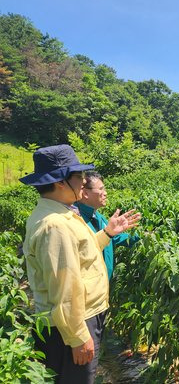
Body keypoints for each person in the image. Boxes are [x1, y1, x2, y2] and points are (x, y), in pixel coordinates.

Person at [20, 144, 140, 383]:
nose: (83, 181)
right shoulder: (55, 225)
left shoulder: (63, 215)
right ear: (61, 182)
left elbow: (80, 255)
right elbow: (63, 287)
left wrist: (107, 233)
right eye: (79, 176)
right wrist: (77, 337)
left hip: (79, 319)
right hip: (74, 324)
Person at [76, 171, 140, 281]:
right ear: (85, 193)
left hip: (103, 285)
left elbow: (112, 238)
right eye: (101, 189)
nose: (105, 193)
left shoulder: (98, 216)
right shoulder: (77, 220)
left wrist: (140, 237)